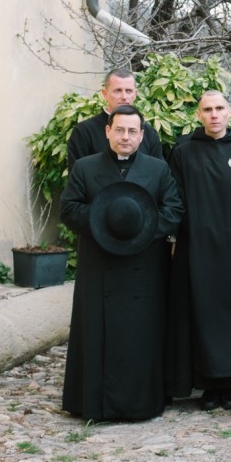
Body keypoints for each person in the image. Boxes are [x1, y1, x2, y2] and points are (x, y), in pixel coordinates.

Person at [60, 105, 183, 420]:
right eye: (119, 130)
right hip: (99, 265)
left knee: (140, 337)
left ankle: (140, 403)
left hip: (144, 269)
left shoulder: (158, 169)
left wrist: (138, 231)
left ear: (142, 135)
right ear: (108, 131)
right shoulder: (85, 168)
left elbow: (173, 210)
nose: (125, 137)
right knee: (98, 332)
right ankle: (93, 402)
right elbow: (70, 209)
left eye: (132, 131)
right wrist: (105, 222)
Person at [168, 90, 231, 411]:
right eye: (207, 109)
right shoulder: (183, 153)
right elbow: (177, 200)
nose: (214, 115)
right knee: (203, 315)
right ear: (199, 115)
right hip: (199, 249)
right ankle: (210, 385)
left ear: (229, 113)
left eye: (219, 108)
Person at [67, 68, 163, 169]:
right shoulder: (84, 132)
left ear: (135, 94)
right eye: (118, 91)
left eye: (128, 91)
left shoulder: (148, 132)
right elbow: (77, 177)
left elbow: (158, 173)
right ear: (104, 94)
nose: (124, 96)